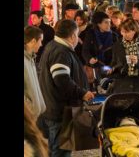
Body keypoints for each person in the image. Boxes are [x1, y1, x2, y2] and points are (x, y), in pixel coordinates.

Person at [39, 19, 95, 156]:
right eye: (77, 34)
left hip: (57, 109)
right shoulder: (61, 52)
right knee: (60, 151)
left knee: (57, 149)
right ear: (72, 36)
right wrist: (82, 93)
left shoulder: (55, 46)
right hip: (61, 111)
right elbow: (62, 79)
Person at [109, 18, 139, 119]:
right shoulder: (118, 46)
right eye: (122, 31)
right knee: (121, 120)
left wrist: (138, 63)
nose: (124, 34)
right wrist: (112, 70)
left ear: (134, 30)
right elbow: (113, 64)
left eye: (127, 32)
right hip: (122, 87)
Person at [24, 26, 46, 118]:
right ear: (33, 41)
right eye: (40, 40)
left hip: (34, 115)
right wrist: (30, 108)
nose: (41, 44)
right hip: (28, 117)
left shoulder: (31, 58)